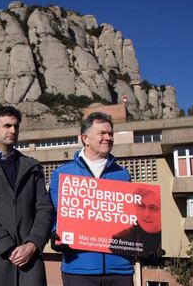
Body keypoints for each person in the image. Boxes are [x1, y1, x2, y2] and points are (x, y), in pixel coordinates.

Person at [0, 106, 53, 286]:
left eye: (16, 126)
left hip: (29, 262)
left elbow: (44, 209)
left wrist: (32, 244)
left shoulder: (32, 167)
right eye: (6, 126)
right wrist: (7, 246)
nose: (13, 130)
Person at [49, 112, 134, 286]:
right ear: (85, 138)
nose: (108, 138)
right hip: (79, 269)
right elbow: (53, 213)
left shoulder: (123, 175)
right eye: (102, 133)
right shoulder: (62, 174)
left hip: (120, 269)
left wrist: (146, 243)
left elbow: (131, 217)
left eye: (110, 134)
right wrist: (55, 234)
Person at [111, 188, 162, 259]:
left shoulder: (168, 236)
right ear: (135, 207)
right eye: (141, 206)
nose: (146, 214)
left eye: (153, 208)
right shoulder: (120, 239)